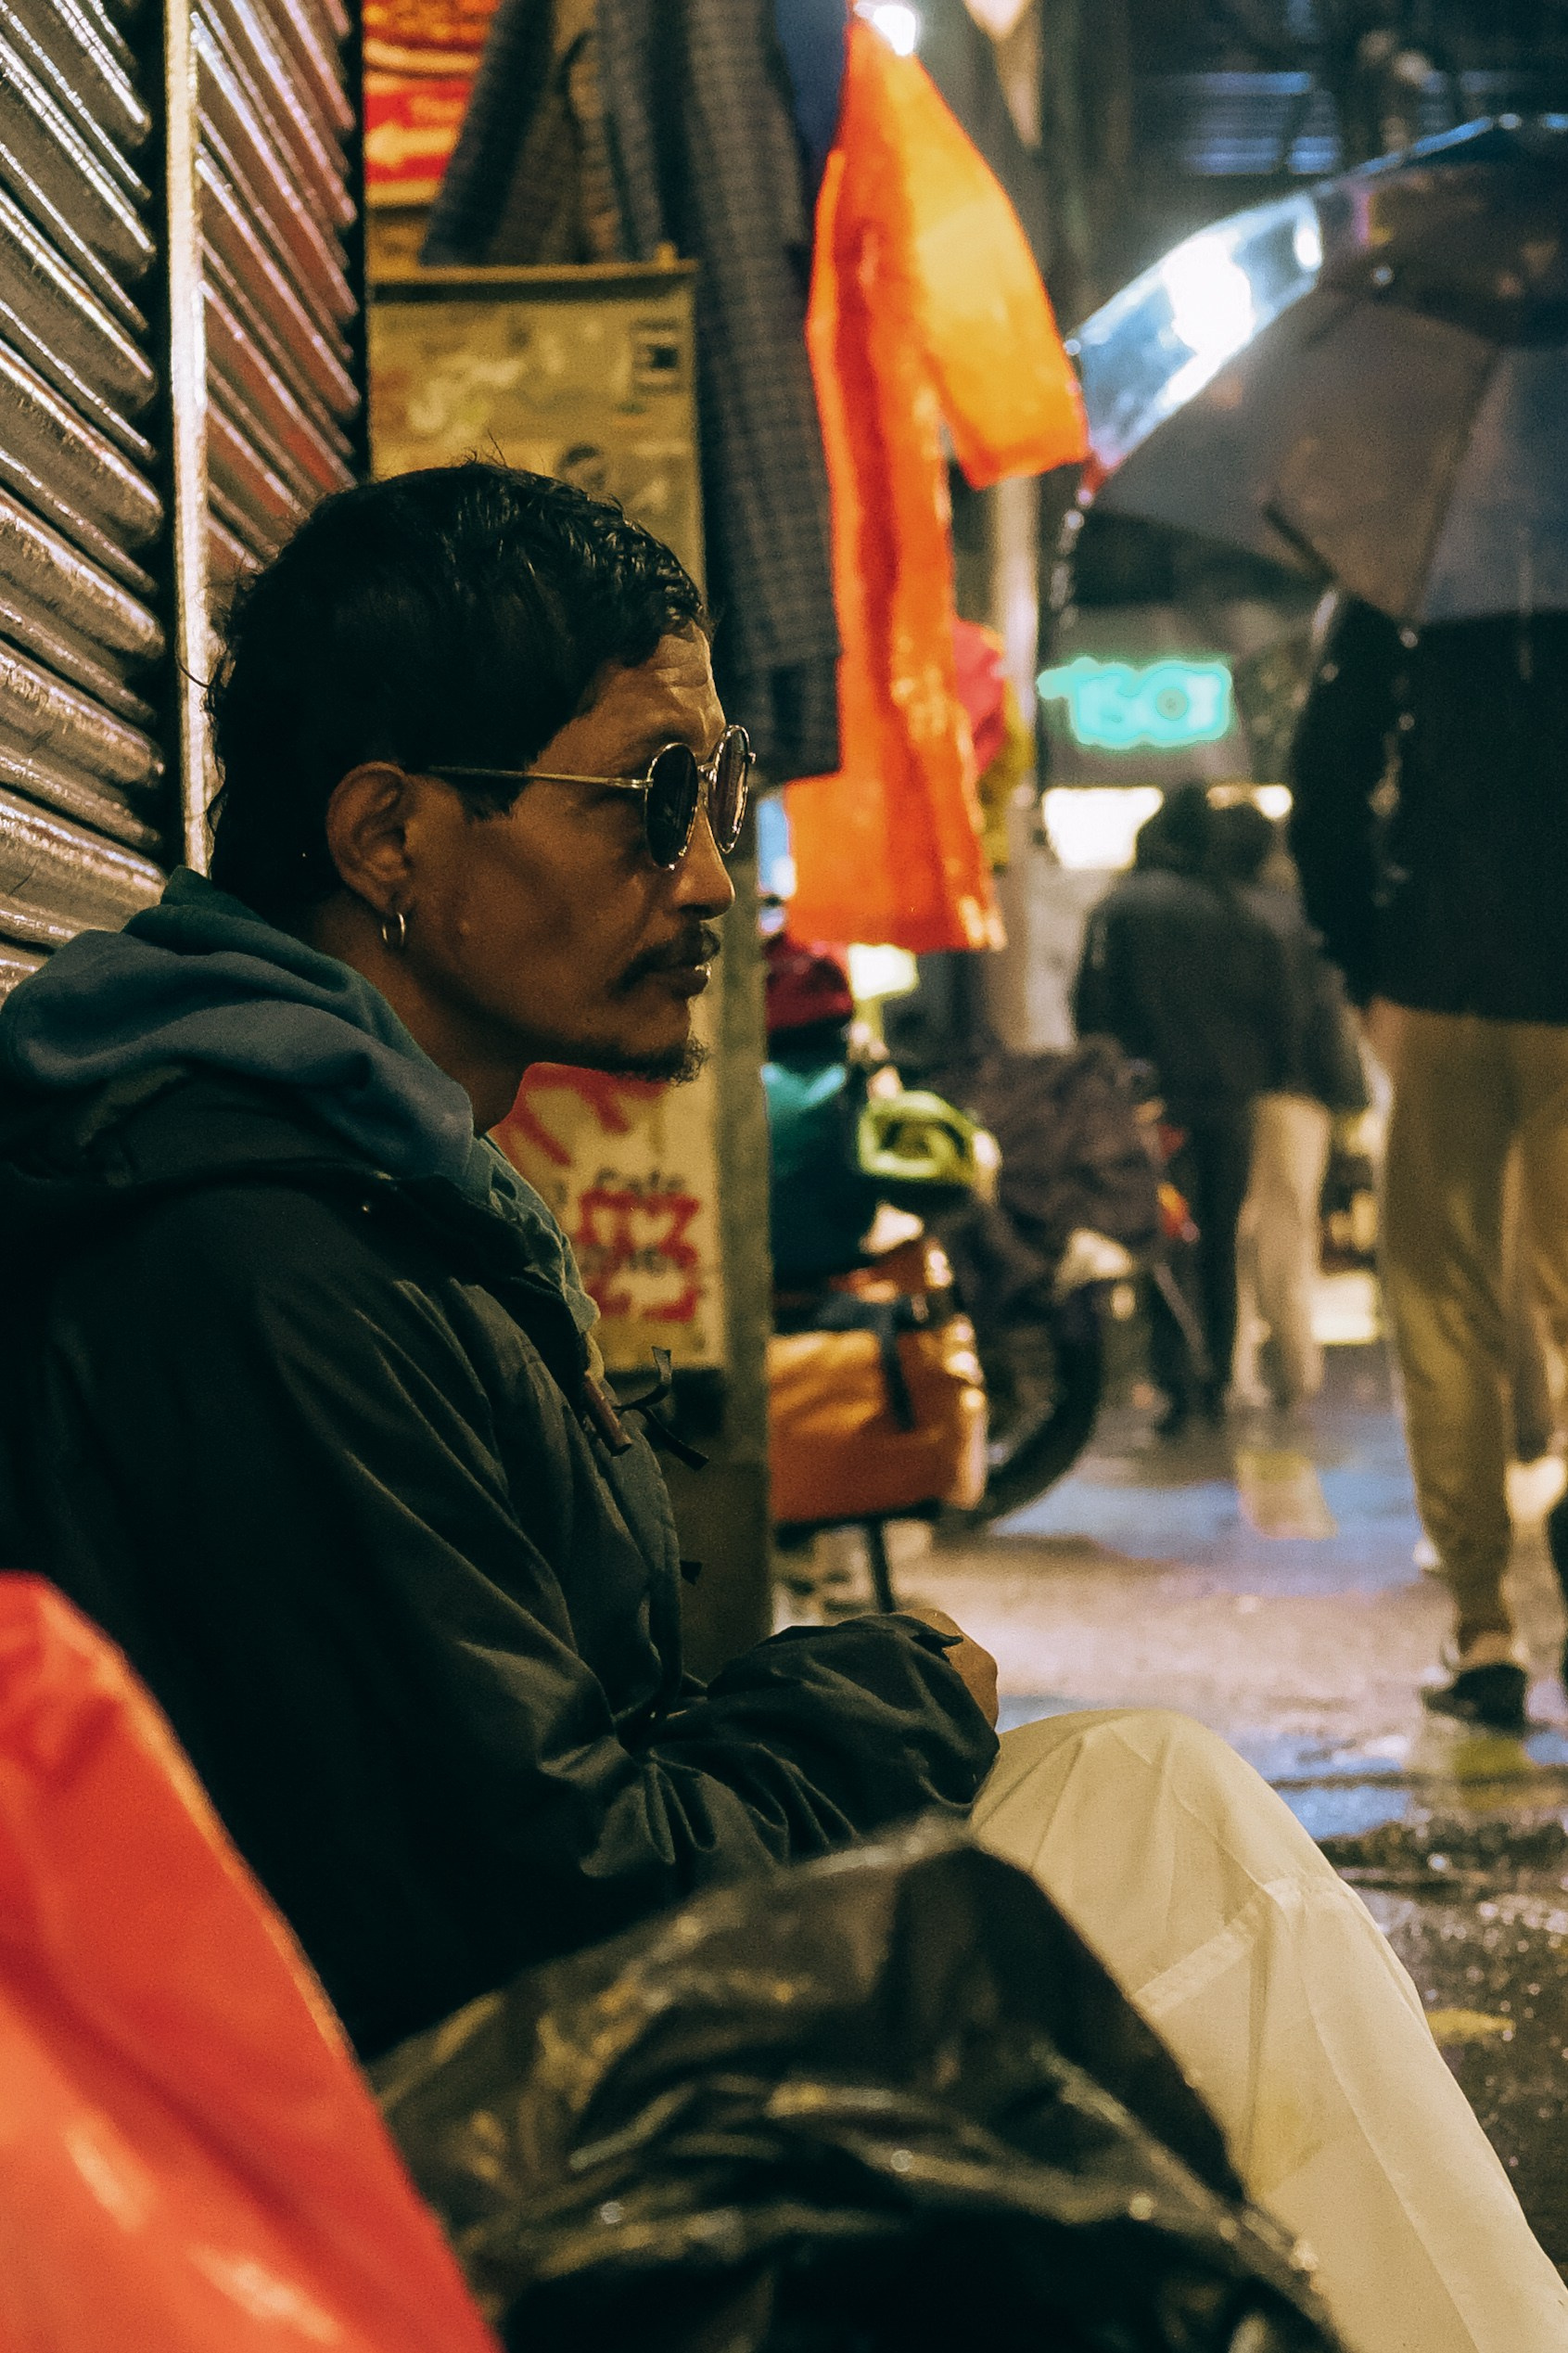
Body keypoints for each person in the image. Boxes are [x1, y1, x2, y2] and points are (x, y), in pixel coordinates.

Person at [0, 467, 1561, 2353]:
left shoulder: (353, 1181)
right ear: (391, 835)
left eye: (718, 796)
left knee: (1141, 1799)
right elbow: (549, 1908)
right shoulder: (262, 1259)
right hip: (424, 2178)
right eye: (648, 799)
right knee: (1165, 1855)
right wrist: (881, 1696)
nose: (708, 878)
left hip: (468, 2083)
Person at [1292, 598, 1568, 1732]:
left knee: (1441, 1304)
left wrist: (1365, 963)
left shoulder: (1401, 568)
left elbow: (1324, 777)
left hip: (1438, 979)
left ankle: (1483, 1624)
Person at [1072, 783, 1295, 1434]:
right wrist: (1260, 1073)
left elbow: (1091, 1007)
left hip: (1153, 1105)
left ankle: (1176, 1378)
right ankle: (1219, 1375)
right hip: (1228, 1101)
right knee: (1221, 1239)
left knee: (1164, 1237)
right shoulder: (1238, 911)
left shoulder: (1121, 908)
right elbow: (1279, 1010)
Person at [1209, 799, 1369, 1413]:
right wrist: (1348, 1096)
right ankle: (1296, 1369)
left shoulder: (1214, 913)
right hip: (1295, 1096)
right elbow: (1326, 1015)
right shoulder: (1295, 919)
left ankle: (1235, 1369)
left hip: (1230, 1094)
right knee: (1287, 1231)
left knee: (1233, 1232)